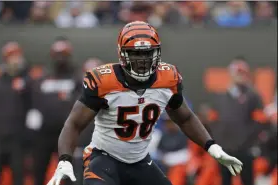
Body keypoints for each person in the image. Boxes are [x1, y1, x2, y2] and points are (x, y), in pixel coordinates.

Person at [47, 21, 243, 185]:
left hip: (140, 161)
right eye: (135, 54)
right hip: (103, 159)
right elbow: (74, 123)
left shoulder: (167, 79)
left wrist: (212, 148)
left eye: (147, 54)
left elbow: (185, 118)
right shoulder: (103, 81)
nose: (142, 60)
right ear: (122, 54)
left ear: (156, 54)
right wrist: (64, 159)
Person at [26, 36, 81, 185]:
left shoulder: (76, 78)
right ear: (52, 55)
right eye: (58, 54)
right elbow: (30, 98)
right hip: (43, 134)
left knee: (68, 174)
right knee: (39, 171)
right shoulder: (42, 77)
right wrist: (33, 112)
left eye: (63, 54)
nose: (60, 58)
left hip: (66, 134)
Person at [207, 56, 267, 185]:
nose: (240, 76)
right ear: (231, 73)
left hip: (245, 149)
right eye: (237, 72)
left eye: (243, 72)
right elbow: (212, 122)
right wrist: (219, 142)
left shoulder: (253, 97)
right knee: (225, 181)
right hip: (225, 150)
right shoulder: (219, 97)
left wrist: (248, 141)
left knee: (247, 180)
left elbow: (260, 122)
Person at [0, 41, 31, 185]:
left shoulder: (28, 81)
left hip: (18, 139)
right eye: (11, 56)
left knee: (18, 176)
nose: (15, 59)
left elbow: (33, 107)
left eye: (17, 55)